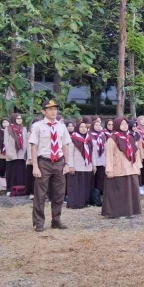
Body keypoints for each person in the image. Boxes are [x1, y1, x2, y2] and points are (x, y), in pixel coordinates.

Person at [29, 99, 73, 232]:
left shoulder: (61, 126)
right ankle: (39, 222)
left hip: (59, 162)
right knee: (40, 194)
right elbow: (34, 146)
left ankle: (56, 220)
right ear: (44, 111)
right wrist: (35, 166)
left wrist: (67, 163)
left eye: (55, 109)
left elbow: (65, 145)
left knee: (59, 193)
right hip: (44, 162)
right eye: (50, 109)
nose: (53, 111)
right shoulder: (37, 126)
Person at [103, 117, 142, 218]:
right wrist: (109, 170)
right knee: (120, 191)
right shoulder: (113, 138)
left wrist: (138, 166)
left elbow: (136, 152)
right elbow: (109, 155)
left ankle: (130, 211)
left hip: (131, 168)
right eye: (122, 124)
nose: (124, 126)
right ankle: (119, 212)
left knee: (131, 191)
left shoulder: (131, 136)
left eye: (126, 124)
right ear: (117, 126)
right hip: (119, 169)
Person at [66, 119, 93, 209]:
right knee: (76, 186)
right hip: (76, 166)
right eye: (81, 127)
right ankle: (75, 203)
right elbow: (70, 153)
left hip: (87, 165)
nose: (83, 129)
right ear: (77, 128)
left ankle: (84, 202)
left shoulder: (89, 139)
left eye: (85, 127)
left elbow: (93, 153)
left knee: (85, 185)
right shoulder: (73, 139)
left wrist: (94, 165)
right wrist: (71, 166)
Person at [4, 113, 28, 195]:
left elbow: (25, 141)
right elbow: (6, 142)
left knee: (20, 173)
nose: (19, 120)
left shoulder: (23, 129)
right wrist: (9, 154)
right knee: (11, 173)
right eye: (17, 118)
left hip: (21, 155)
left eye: (20, 118)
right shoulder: (8, 129)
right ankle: (10, 189)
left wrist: (24, 152)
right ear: (14, 119)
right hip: (11, 155)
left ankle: (21, 189)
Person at [25, 118, 41, 199]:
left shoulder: (41, 132)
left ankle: (39, 193)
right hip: (32, 158)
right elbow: (28, 147)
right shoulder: (30, 133)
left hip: (40, 158)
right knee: (32, 177)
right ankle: (32, 192)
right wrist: (30, 158)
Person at [90, 118, 107, 196]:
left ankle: (100, 194)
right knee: (93, 179)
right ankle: (94, 195)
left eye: (99, 125)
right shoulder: (89, 135)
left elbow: (105, 148)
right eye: (96, 125)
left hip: (102, 160)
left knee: (101, 178)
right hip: (93, 160)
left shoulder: (102, 135)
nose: (97, 127)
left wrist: (106, 161)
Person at [134, 116, 144, 195]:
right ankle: (139, 186)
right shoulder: (135, 130)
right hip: (139, 154)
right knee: (139, 170)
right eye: (141, 120)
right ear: (138, 121)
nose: (143, 121)